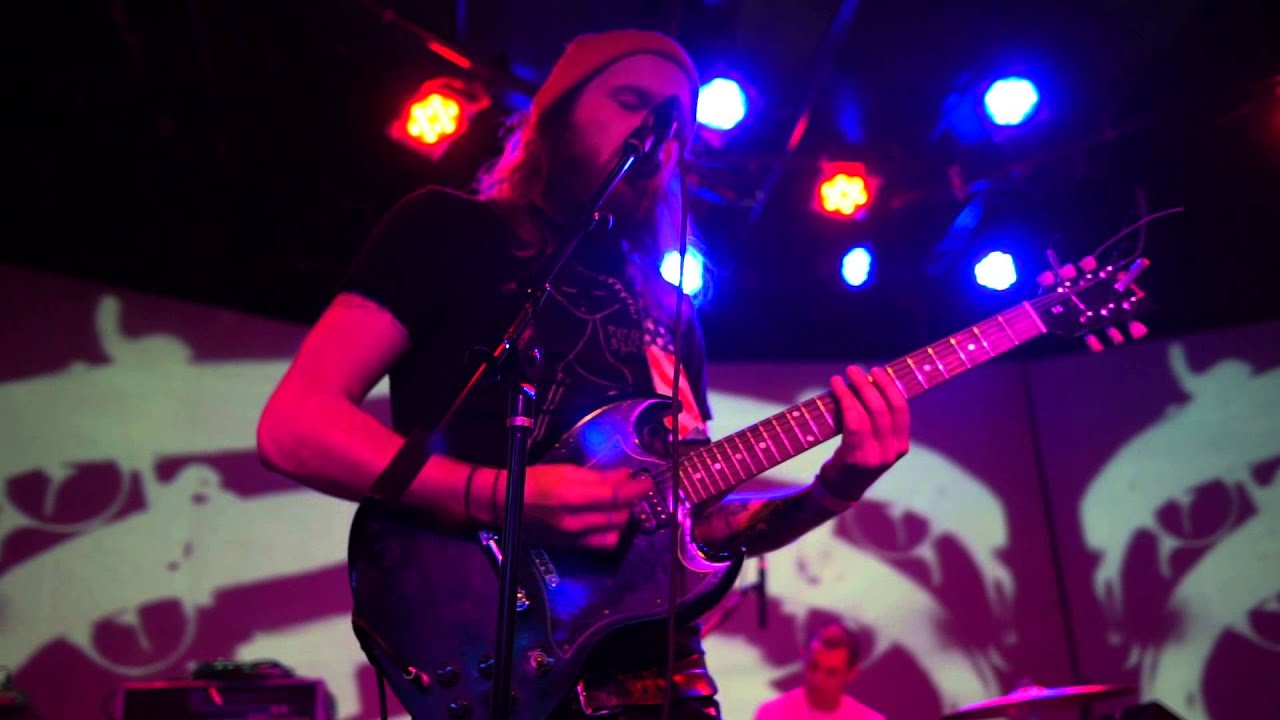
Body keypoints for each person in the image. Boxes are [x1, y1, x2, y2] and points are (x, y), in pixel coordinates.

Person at [256, 28, 910, 719]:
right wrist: (498, 495)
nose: (659, 131)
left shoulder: (671, 311)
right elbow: (295, 424)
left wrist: (835, 488)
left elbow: (695, 525)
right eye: (633, 101)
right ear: (555, 113)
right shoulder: (447, 231)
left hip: (668, 685)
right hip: (499, 660)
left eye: (679, 124)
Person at [754, 623, 886, 720]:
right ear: (803, 657)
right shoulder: (771, 714)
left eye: (831, 673)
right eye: (813, 666)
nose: (818, 679)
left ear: (851, 674)